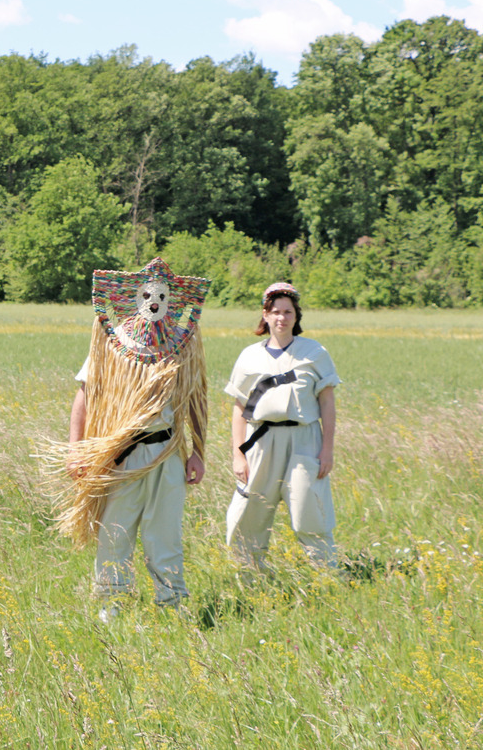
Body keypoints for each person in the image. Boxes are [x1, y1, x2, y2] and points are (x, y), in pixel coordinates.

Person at [56, 258, 210, 621]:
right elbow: (86, 393)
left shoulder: (180, 345)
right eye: (147, 294)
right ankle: (113, 605)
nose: (154, 301)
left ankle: (171, 606)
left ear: (172, 299)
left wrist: (198, 452)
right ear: (135, 295)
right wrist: (76, 449)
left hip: (167, 452)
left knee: (165, 534)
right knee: (114, 532)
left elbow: (196, 399)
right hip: (121, 456)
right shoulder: (113, 341)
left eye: (161, 295)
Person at [225, 282, 340, 570]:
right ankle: (250, 578)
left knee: (309, 511)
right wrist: (238, 454)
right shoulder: (250, 355)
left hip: (304, 439)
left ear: (296, 316)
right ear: (264, 315)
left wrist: (327, 450)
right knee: (250, 512)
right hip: (261, 441)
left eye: (288, 312)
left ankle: (324, 577)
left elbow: (327, 403)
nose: (281, 318)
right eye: (275, 311)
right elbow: (240, 407)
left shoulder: (313, 352)